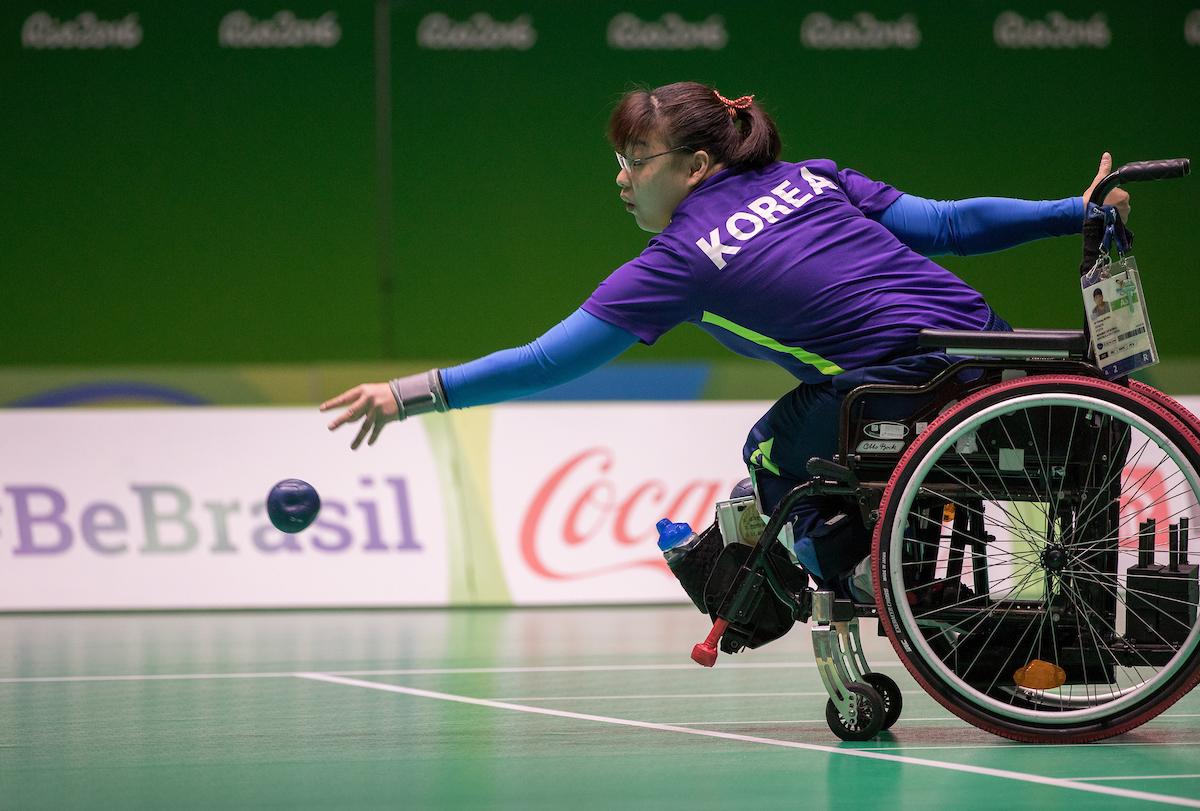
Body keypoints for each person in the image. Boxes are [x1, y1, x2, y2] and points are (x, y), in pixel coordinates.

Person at [320, 81, 1131, 586]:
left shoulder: (676, 261)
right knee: (814, 426)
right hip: (999, 356)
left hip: (907, 389)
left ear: (698, 163)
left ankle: (846, 576)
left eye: (637, 158)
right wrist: (1074, 210)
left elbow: (543, 362)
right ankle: (881, 559)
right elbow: (950, 226)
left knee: (770, 450)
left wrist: (409, 394)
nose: (621, 177)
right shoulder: (813, 178)